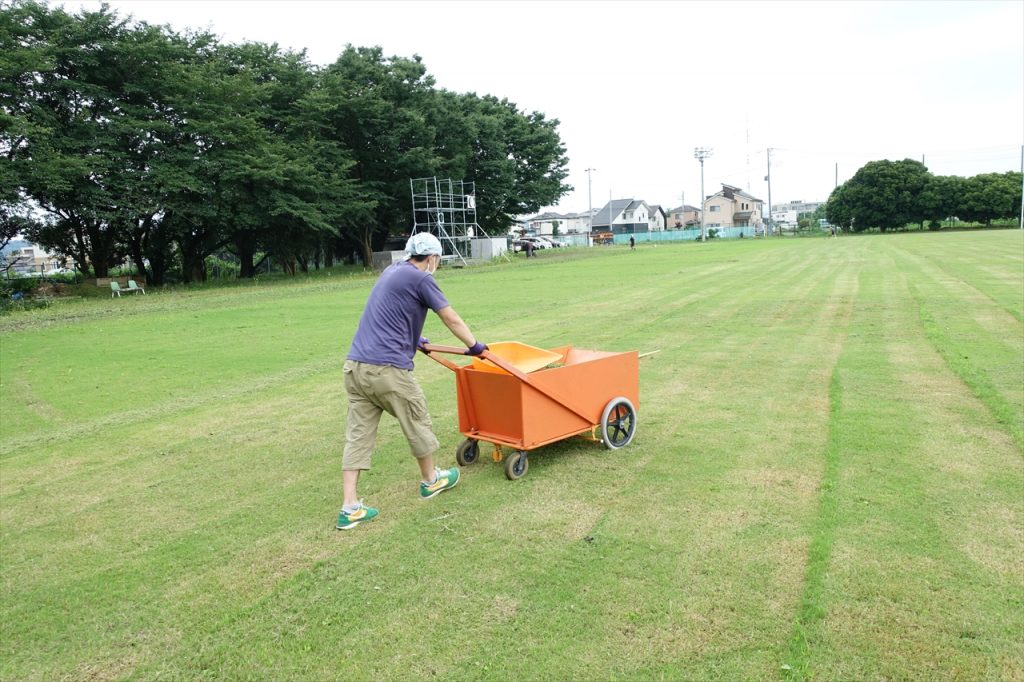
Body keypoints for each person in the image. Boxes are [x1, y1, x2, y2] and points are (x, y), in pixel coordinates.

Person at [336, 232, 488, 530]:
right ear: (431, 258)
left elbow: (387, 314)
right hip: (386, 370)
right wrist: (475, 346)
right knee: (416, 417)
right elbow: (450, 317)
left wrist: (414, 338)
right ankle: (431, 481)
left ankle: (349, 507)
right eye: (438, 260)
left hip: (355, 368)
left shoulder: (391, 272)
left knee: (358, 435)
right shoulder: (422, 279)